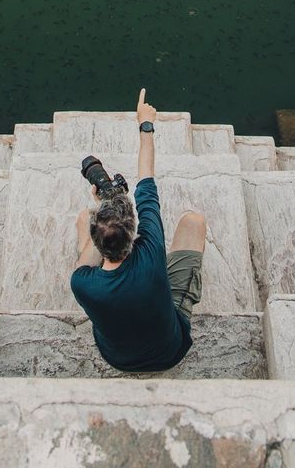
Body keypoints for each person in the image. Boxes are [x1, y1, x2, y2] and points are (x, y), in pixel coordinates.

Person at [70, 87, 207, 373]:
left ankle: (98, 223)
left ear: (97, 241)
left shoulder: (82, 284)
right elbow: (146, 179)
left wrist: (101, 210)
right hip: (171, 350)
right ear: (134, 231)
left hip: (117, 359)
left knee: (83, 217)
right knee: (193, 222)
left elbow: (88, 252)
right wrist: (146, 124)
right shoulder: (152, 250)